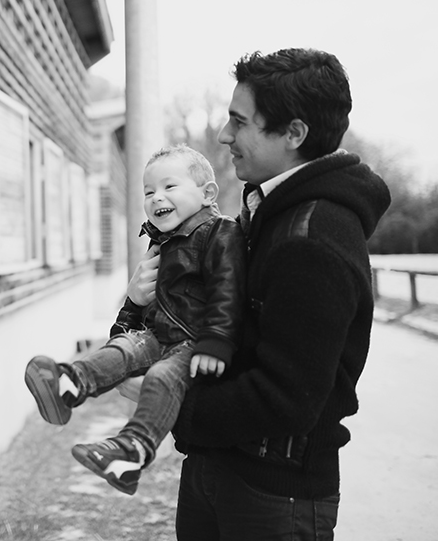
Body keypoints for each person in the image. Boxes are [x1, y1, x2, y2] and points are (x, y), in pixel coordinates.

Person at [166, 48, 391, 540]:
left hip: (273, 496)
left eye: (239, 122)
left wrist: (174, 406)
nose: (225, 135)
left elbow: (289, 397)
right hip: (219, 466)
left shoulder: (314, 236)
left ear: (293, 134)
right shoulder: (268, 211)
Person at [24, 144, 245, 495]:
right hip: (157, 334)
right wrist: (132, 302)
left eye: (169, 187)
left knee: (159, 378)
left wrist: (216, 340)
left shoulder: (219, 232)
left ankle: (132, 453)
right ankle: (70, 385)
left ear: (207, 194)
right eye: (148, 191)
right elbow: (142, 305)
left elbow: (228, 287)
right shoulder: (163, 242)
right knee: (123, 346)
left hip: (192, 341)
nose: (157, 197)